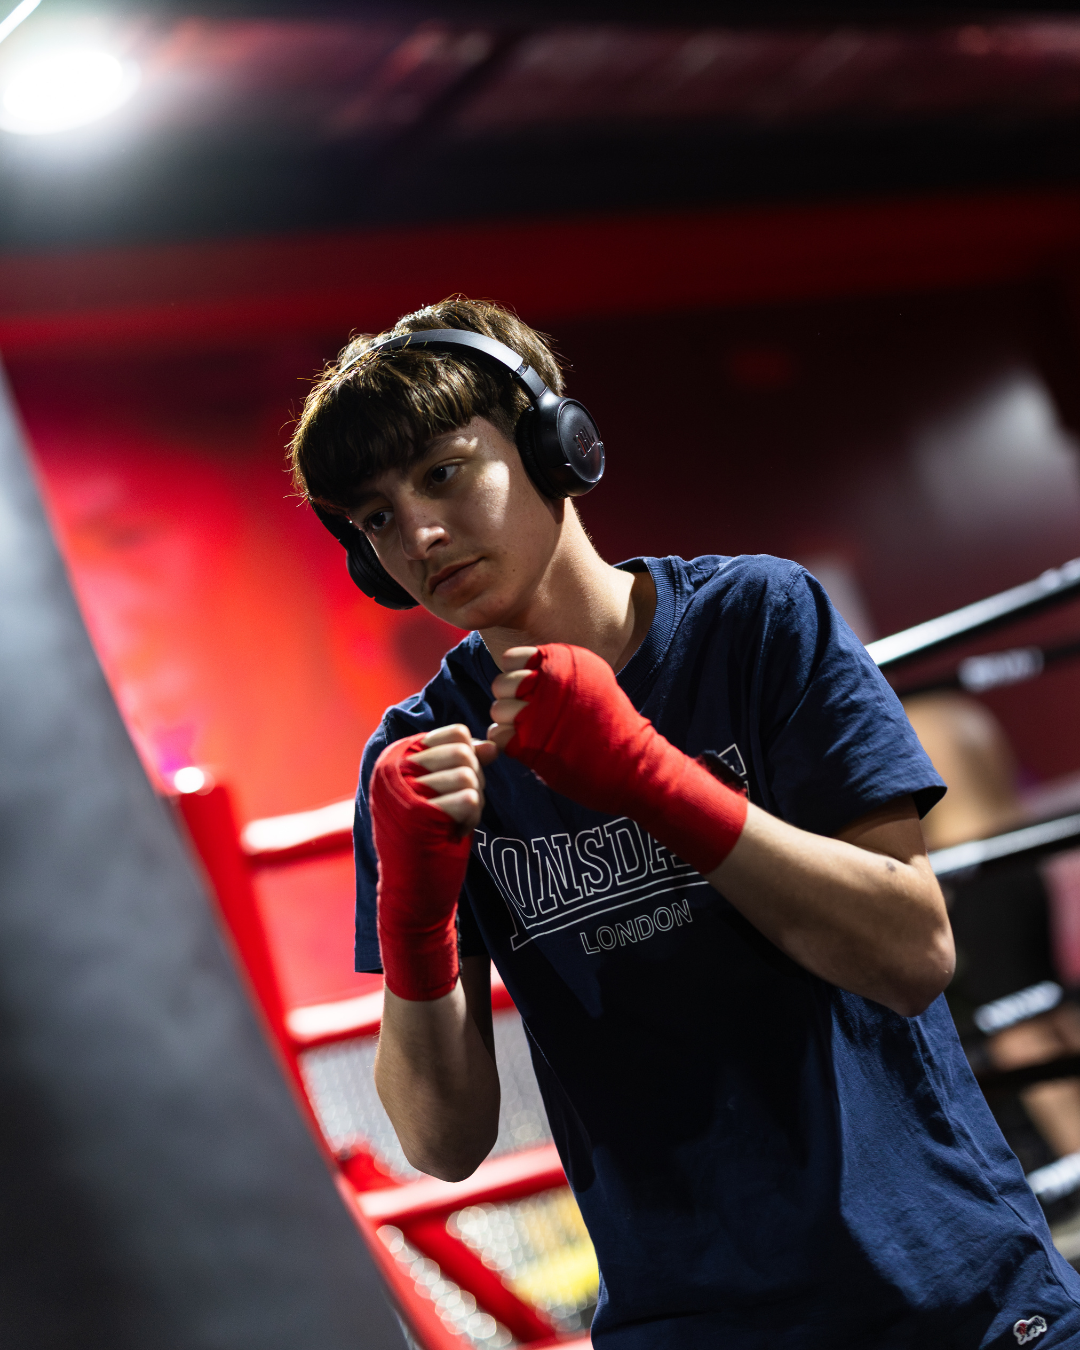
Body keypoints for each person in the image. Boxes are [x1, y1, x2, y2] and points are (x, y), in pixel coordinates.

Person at [289, 297, 1080, 1348]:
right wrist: (416, 923)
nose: (420, 535)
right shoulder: (424, 752)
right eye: (377, 517)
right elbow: (441, 1142)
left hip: (945, 1289)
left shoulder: (755, 624)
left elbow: (912, 952)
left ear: (551, 446)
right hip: (687, 1323)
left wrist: (654, 779)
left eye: (443, 472)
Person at [906, 691, 1080, 1169]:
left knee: (1023, 1031)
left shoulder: (920, 718)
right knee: (1049, 1013)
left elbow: (1021, 1043)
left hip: (978, 864)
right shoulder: (952, 711)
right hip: (1007, 851)